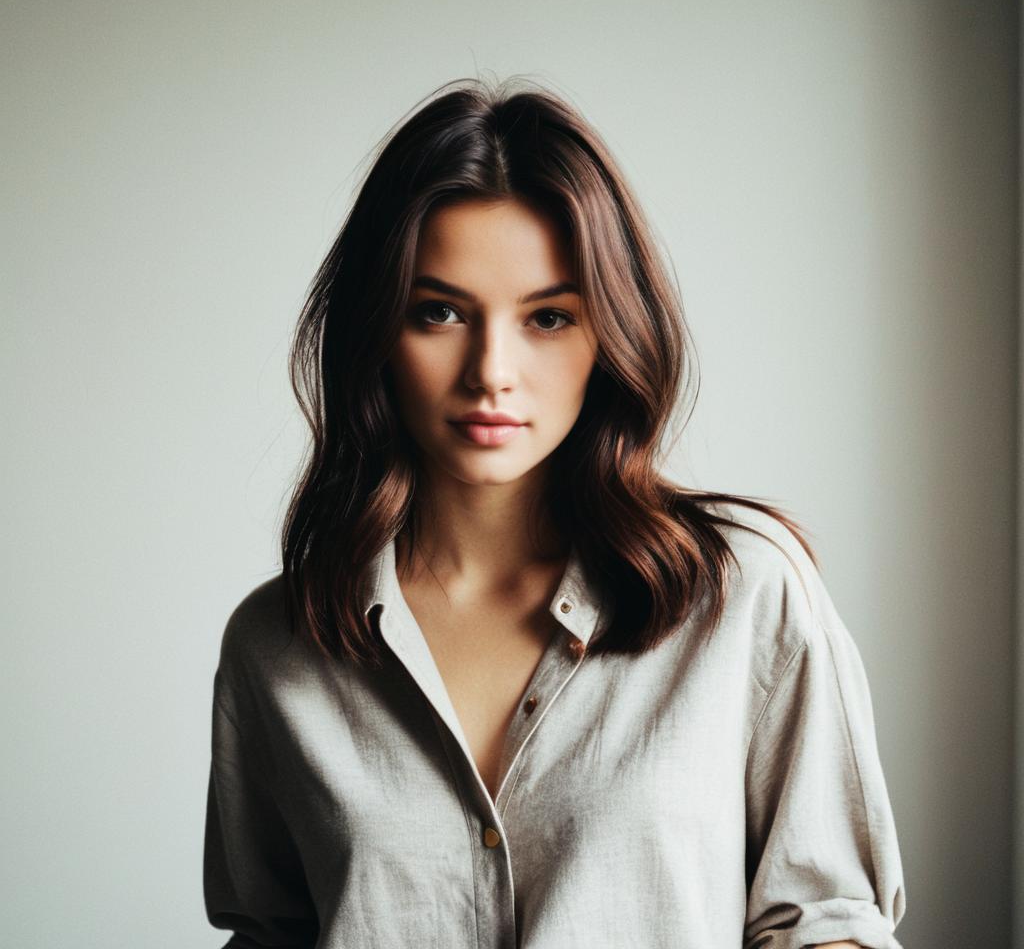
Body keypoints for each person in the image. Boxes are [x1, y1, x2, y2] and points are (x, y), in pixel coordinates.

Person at [203, 77, 907, 949]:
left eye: (547, 317)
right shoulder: (277, 643)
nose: (491, 369)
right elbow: (270, 931)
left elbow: (826, 919)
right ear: (375, 332)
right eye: (439, 312)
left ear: (609, 333)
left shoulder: (743, 595)